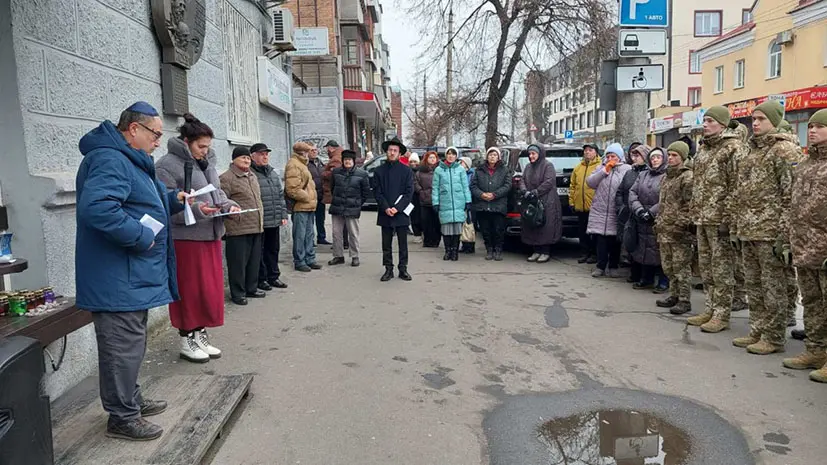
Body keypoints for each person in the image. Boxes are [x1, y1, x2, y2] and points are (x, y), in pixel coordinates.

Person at [76, 101, 187, 440]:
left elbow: (137, 200)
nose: (158, 140)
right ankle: (122, 417)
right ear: (133, 129)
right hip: (117, 276)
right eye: (155, 133)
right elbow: (97, 209)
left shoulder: (130, 160)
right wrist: (140, 236)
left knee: (130, 345)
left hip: (129, 275)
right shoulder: (110, 159)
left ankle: (130, 400)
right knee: (121, 348)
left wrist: (173, 200)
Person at [156, 113, 239, 363]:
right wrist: (196, 210)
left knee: (208, 290)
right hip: (186, 239)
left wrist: (228, 206)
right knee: (189, 290)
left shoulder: (207, 163)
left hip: (210, 234)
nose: (205, 151)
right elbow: (164, 204)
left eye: (208, 146)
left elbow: (217, 193)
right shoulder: (166, 165)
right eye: (201, 146)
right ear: (186, 141)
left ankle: (200, 333)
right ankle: (186, 337)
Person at [731, 100, 800, 354]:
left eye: (761, 119)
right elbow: (742, 193)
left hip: (770, 233)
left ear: (774, 121)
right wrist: (738, 227)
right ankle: (758, 330)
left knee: (774, 288)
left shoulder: (784, 151)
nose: (755, 124)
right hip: (749, 230)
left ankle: (773, 336)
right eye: (754, 119)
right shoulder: (752, 151)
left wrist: (784, 236)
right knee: (754, 285)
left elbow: (790, 196)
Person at [686, 106, 742, 333]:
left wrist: (727, 220)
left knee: (722, 270)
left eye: (710, 121)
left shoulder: (732, 149)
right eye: (705, 120)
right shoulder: (704, 149)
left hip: (719, 220)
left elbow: (736, 187)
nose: (705, 124)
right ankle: (710, 308)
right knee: (707, 268)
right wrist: (693, 213)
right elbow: (698, 185)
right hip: (702, 218)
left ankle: (722, 314)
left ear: (722, 124)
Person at [783, 108, 827, 382]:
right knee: (811, 302)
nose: (812, 131)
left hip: (824, 248)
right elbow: (794, 205)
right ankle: (816, 350)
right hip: (805, 246)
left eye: (819, 127)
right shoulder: (806, 164)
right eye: (810, 127)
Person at [219, 147, 266, 306]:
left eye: (248, 158)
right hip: (237, 228)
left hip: (255, 225)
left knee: (254, 260)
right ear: (233, 160)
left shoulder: (252, 176)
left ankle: (251, 288)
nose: (246, 161)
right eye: (242, 158)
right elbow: (222, 202)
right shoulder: (226, 178)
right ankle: (238, 293)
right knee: (238, 263)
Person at [656, 141, 695, 315]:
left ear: (683, 157)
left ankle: (684, 299)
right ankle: (674, 294)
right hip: (664, 228)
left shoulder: (687, 177)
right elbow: (662, 203)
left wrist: (681, 225)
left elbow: (689, 205)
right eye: (669, 155)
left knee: (681, 266)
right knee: (668, 266)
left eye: (675, 156)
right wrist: (659, 222)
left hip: (679, 231)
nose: (671, 159)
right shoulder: (666, 176)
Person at [587, 143, 631, 278]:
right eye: (608, 156)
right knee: (600, 240)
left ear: (620, 157)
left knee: (614, 241)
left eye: (613, 156)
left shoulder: (626, 169)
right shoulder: (600, 168)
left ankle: (613, 266)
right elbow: (590, 182)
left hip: (616, 211)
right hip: (600, 210)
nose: (610, 158)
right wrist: (604, 171)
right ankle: (600, 266)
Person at [374, 137, 414, 281]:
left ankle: (403, 269)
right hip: (385, 212)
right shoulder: (379, 171)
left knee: (403, 243)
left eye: (395, 151)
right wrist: (386, 208)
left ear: (399, 153)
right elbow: (377, 192)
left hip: (401, 212)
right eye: (390, 150)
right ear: (386, 152)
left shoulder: (406, 171)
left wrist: (397, 208)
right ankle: (388, 269)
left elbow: (409, 192)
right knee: (386, 243)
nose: (392, 153)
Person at [250, 143, 289, 291]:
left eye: (266, 154)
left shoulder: (272, 173)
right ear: (253, 156)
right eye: (261, 154)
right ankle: (262, 279)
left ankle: (274, 276)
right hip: (259, 220)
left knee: (273, 249)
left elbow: (280, 196)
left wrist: (283, 214)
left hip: (274, 218)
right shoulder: (251, 174)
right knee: (259, 252)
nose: (265, 156)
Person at [628, 147, 667, 289]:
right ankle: (647, 278)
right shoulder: (643, 174)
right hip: (641, 217)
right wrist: (638, 209)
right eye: (652, 157)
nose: (655, 160)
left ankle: (663, 281)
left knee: (660, 250)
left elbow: (666, 198)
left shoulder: (667, 175)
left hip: (659, 218)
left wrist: (651, 212)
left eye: (658, 157)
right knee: (644, 248)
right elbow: (633, 192)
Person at [328, 150, 371, 267]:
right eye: (345, 159)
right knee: (336, 233)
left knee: (353, 233)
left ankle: (355, 256)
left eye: (349, 160)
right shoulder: (336, 172)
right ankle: (338, 256)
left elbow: (365, 192)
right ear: (342, 161)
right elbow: (332, 188)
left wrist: (358, 203)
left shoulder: (362, 174)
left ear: (353, 161)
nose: (347, 161)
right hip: (337, 207)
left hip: (352, 208)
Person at [520, 145, 562, 263]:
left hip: (546, 200)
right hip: (531, 201)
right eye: (530, 154)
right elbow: (522, 180)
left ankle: (545, 251)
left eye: (533, 154)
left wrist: (536, 192)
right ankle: (536, 250)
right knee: (532, 224)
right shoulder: (528, 167)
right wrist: (525, 191)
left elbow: (549, 181)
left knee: (545, 225)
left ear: (539, 154)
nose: (531, 156)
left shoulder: (547, 166)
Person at [285, 142, 322, 272]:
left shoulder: (302, 164)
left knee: (309, 234)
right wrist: (307, 197)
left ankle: (310, 259)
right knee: (300, 235)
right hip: (301, 206)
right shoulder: (294, 164)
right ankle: (300, 261)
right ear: (302, 152)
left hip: (308, 206)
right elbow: (292, 188)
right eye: (308, 151)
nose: (309, 153)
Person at [616, 144, 650, 285]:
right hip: (629, 213)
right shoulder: (630, 172)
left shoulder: (650, 173)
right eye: (633, 155)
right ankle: (634, 272)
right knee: (631, 242)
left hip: (644, 214)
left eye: (638, 155)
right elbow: (621, 191)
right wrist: (621, 206)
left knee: (645, 246)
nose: (634, 158)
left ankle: (645, 276)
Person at [471, 147, 511, 261]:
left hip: (498, 205)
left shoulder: (504, 170)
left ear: (498, 157)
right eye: (490, 155)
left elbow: (507, 186)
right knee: (485, 230)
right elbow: (473, 186)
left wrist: (495, 194)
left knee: (498, 229)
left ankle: (498, 250)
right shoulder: (479, 170)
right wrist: (481, 194)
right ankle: (489, 249)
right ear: (487, 157)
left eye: (494, 155)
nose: (492, 157)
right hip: (482, 205)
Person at [433, 146, 472, 261]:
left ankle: (455, 251)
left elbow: (465, 186)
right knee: (446, 229)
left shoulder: (460, 169)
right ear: (446, 155)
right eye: (449, 154)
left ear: (456, 156)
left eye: (453, 154)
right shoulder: (438, 170)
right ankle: (447, 251)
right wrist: (435, 202)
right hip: (445, 203)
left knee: (456, 230)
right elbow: (435, 188)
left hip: (459, 203)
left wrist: (468, 200)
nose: (451, 156)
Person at [570, 144, 601, 264]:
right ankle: (584, 252)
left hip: (594, 206)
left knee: (594, 233)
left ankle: (594, 254)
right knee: (582, 232)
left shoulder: (600, 166)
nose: (587, 152)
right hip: (580, 205)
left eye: (590, 150)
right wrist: (572, 202)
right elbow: (573, 186)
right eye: (585, 151)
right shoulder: (578, 167)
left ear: (596, 152)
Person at [322, 142, 348, 250]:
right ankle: (344, 242)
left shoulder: (336, 158)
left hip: (337, 193)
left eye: (327, 148)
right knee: (343, 219)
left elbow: (335, 173)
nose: (327, 150)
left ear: (331, 148)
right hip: (341, 192)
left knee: (339, 221)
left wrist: (323, 173)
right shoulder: (340, 155)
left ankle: (342, 243)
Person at [415, 151, 442, 248]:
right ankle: (427, 241)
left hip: (437, 200)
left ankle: (436, 240)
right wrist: (421, 191)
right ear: (426, 159)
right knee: (426, 222)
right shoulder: (420, 171)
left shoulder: (440, 170)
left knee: (436, 222)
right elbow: (415, 182)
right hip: (424, 200)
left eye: (434, 157)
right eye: (430, 157)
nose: (432, 159)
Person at [308, 143, 328, 244]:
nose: (314, 151)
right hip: (310, 197)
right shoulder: (305, 164)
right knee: (310, 219)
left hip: (321, 196)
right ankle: (310, 240)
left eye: (315, 150)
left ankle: (321, 238)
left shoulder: (320, 163)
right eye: (311, 150)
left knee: (321, 218)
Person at [459, 156, 477, 254]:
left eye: (461, 162)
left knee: (470, 223)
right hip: (461, 201)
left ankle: (470, 245)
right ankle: (464, 244)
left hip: (470, 201)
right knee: (463, 224)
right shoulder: (459, 173)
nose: (460, 164)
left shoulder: (472, 174)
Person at [408, 153, 423, 243]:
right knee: (414, 216)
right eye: (411, 162)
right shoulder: (407, 171)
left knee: (422, 216)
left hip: (421, 196)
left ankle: (422, 232)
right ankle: (417, 234)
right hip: (411, 197)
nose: (413, 163)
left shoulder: (421, 170)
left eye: (415, 161)